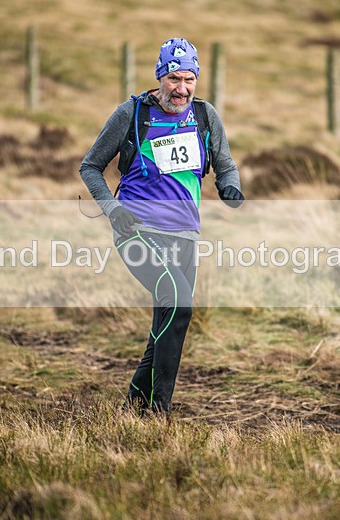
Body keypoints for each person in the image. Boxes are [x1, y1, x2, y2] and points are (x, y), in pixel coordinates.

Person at [79, 37, 244, 416]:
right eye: (173, 79)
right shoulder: (132, 114)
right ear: (159, 77)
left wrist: (230, 186)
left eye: (189, 79)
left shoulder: (204, 116)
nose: (181, 89)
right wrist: (112, 210)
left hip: (186, 234)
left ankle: (133, 407)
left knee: (168, 322)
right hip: (137, 230)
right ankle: (159, 411)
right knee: (180, 306)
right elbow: (90, 166)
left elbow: (225, 164)